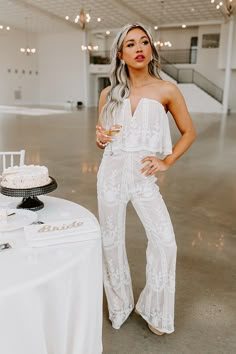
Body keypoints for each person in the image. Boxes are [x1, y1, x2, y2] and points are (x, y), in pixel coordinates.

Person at [96, 23, 196, 335]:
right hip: (111, 173)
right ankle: (119, 305)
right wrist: (99, 139)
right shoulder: (108, 93)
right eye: (130, 44)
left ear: (151, 49)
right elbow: (101, 137)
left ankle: (154, 308)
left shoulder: (167, 90)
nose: (139, 48)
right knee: (111, 243)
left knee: (165, 242)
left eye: (144, 42)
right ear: (120, 53)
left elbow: (189, 132)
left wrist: (166, 161)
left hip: (142, 176)